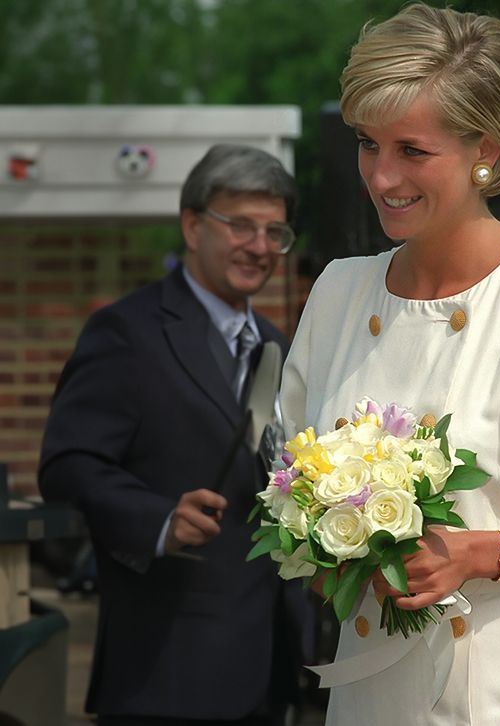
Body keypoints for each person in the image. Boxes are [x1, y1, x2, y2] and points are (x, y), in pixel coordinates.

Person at [280, 5, 500, 725]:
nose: (381, 176)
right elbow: (288, 484)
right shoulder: (338, 292)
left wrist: (476, 552)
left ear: (485, 151)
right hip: (369, 688)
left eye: (412, 150)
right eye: (368, 145)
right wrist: (324, 546)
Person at [39, 144, 311, 726]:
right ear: (192, 225)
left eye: (275, 232)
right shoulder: (127, 332)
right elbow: (68, 464)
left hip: (273, 667)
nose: (260, 247)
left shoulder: (276, 347)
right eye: (241, 225)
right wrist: (159, 519)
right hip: (167, 671)